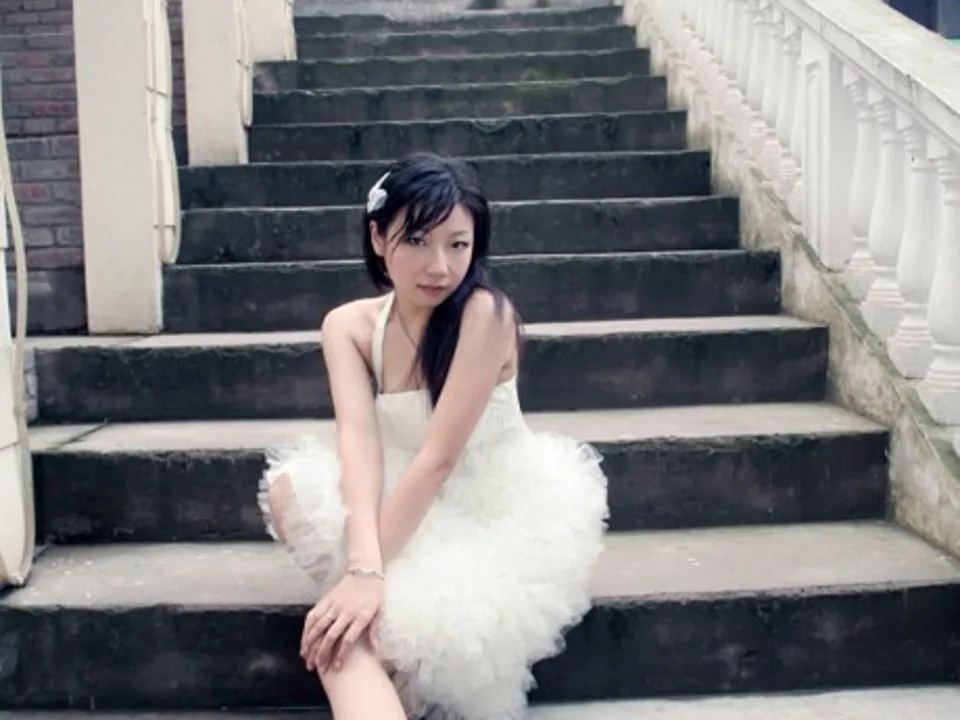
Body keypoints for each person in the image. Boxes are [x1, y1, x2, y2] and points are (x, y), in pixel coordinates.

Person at [259, 152, 609, 720]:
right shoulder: (348, 326)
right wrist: (363, 569)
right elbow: (359, 441)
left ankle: (387, 664)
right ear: (378, 237)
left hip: (490, 511)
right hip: (404, 490)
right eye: (418, 241)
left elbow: (438, 459)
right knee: (289, 492)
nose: (440, 267)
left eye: (458, 244)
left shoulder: (484, 315)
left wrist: (363, 576)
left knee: (350, 641)